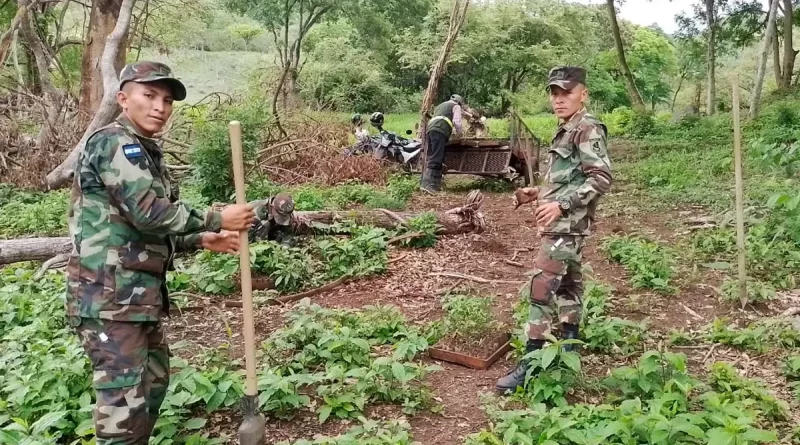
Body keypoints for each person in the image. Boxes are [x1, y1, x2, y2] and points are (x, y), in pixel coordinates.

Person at [65, 60, 256, 444]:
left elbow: (137, 228)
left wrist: (200, 239)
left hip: (136, 299)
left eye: (167, 100)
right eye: (149, 95)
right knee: (123, 408)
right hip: (108, 300)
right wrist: (216, 218)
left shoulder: (143, 150)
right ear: (123, 98)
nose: (160, 107)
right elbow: (147, 211)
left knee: (150, 388)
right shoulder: (113, 142)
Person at [496, 66, 613, 393]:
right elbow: (570, 176)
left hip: (566, 224)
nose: (559, 100)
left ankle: (530, 364)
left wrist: (560, 204)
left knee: (541, 288)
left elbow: (601, 178)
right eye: (555, 93)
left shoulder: (587, 128)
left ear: (583, 93)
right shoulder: (566, 128)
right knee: (570, 285)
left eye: (567, 93)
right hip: (568, 225)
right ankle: (569, 348)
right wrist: (539, 193)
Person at [421, 94, 465, 192]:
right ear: (459, 102)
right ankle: (427, 185)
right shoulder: (456, 106)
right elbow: (457, 121)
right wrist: (460, 134)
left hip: (430, 130)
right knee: (437, 158)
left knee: (435, 156)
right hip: (440, 130)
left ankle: (434, 185)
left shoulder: (441, 105)